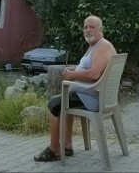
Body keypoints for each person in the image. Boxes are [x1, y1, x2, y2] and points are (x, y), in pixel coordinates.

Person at [33, 15, 117, 162]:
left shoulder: (103, 46)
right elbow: (92, 68)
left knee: (54, 104)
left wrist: (73, 75)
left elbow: (95, 74)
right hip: (91, 95)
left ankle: (54, 149)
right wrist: (75, 69)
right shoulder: (95, 46)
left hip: (93, 99)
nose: (88, 30)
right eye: (85, 27)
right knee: (65, 100)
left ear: (101, 29)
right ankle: (67, 145)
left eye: (92, 27)